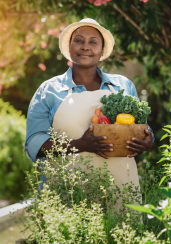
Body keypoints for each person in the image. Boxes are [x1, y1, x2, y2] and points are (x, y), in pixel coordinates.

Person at [24, 18, 153, 193]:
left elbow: (144, 129)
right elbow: (34, 145)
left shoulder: (122, 86)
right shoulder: (49, 90)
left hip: (120, 192)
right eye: (78, 41)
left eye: (93, 42)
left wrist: (146, 140)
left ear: (102, 51)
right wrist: (80, 144)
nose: (85, 47)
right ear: (69, 48)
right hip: (66, 194)